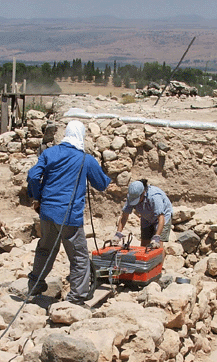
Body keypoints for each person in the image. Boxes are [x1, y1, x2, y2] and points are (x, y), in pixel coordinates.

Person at [26, 120, 111, 304]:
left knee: (45, 249)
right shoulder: (85, 159)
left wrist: (37, 197)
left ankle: (35, 285)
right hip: (70, 217)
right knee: (79, 256)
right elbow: (102, 184)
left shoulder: (49, 153)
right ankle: (76, 298)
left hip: (47, 212)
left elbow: (33, 176)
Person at [112, 179, 173, 252]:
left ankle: (160, 263)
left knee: (158, 246)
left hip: (163, 217)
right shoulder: (131, 196)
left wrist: (156, 237)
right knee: (144, 246)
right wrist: (118, 234)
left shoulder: (154, 197)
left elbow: (161, 217)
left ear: (143, 193)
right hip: (146, 217)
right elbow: (124, 216)